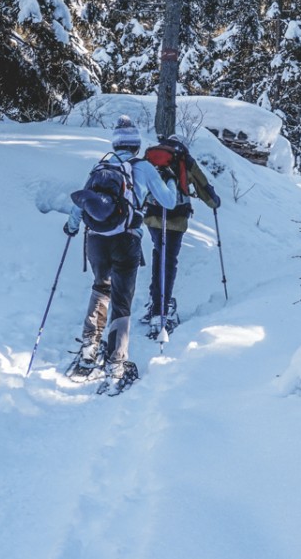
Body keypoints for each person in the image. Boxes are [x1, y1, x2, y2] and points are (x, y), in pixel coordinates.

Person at [62, 115, 179, 393]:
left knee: (100, 288)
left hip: (96, 240)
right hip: (126, 239)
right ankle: (116, 363)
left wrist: (71, 226)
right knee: (122, 300)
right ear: (136, 146)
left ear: (115, 144)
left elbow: (83, 201)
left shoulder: (101, 166)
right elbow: (168, 201)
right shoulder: (144, 168)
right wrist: (171, 180)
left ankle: (90, 349)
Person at [140, 134, 220, 335]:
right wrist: (214, 202)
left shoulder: (151, 156)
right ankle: (161, 310)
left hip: (152, 216)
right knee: (168, 260)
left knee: (159, 253)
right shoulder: (183, 158)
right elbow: (202, 184)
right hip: (176, 218)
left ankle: (155, 302)